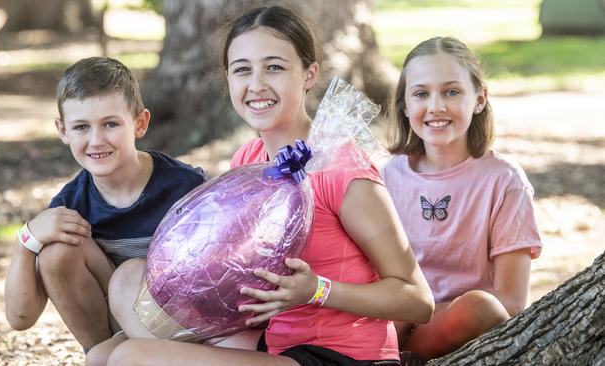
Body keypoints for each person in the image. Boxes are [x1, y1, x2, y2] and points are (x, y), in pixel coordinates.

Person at [104, 6, 434, 366]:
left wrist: (317, 291)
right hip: (269, 340)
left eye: (274, 67)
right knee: (122, 294)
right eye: (242, 69)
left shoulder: (342, 168)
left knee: (129, 357)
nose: (256, 84)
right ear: (227, 78)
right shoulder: (249, 158)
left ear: (309, 75)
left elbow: (417, 299)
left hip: (337, 356)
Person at [3, 57, 206, 361]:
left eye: (110, 124)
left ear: (139, 123)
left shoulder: (184, 188)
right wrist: (26, 241)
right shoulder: (71, 205)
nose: (96, 140)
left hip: (183, 330)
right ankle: (104, 351)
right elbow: (20, 318)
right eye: (81, 127)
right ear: (63, 131)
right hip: (116, 333)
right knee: (56, 249)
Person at [381, 36, 543, 362]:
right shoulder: (387, 176)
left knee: (477, 307)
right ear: (404, 104)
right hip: (392, 318)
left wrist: (422, 310)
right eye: (421, 94)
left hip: (456, 321)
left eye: (451, 92)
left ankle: (395, 356)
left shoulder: (504, 181)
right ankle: (386, 350)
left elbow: (510, 302)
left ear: (479, 99)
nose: (436, 106)